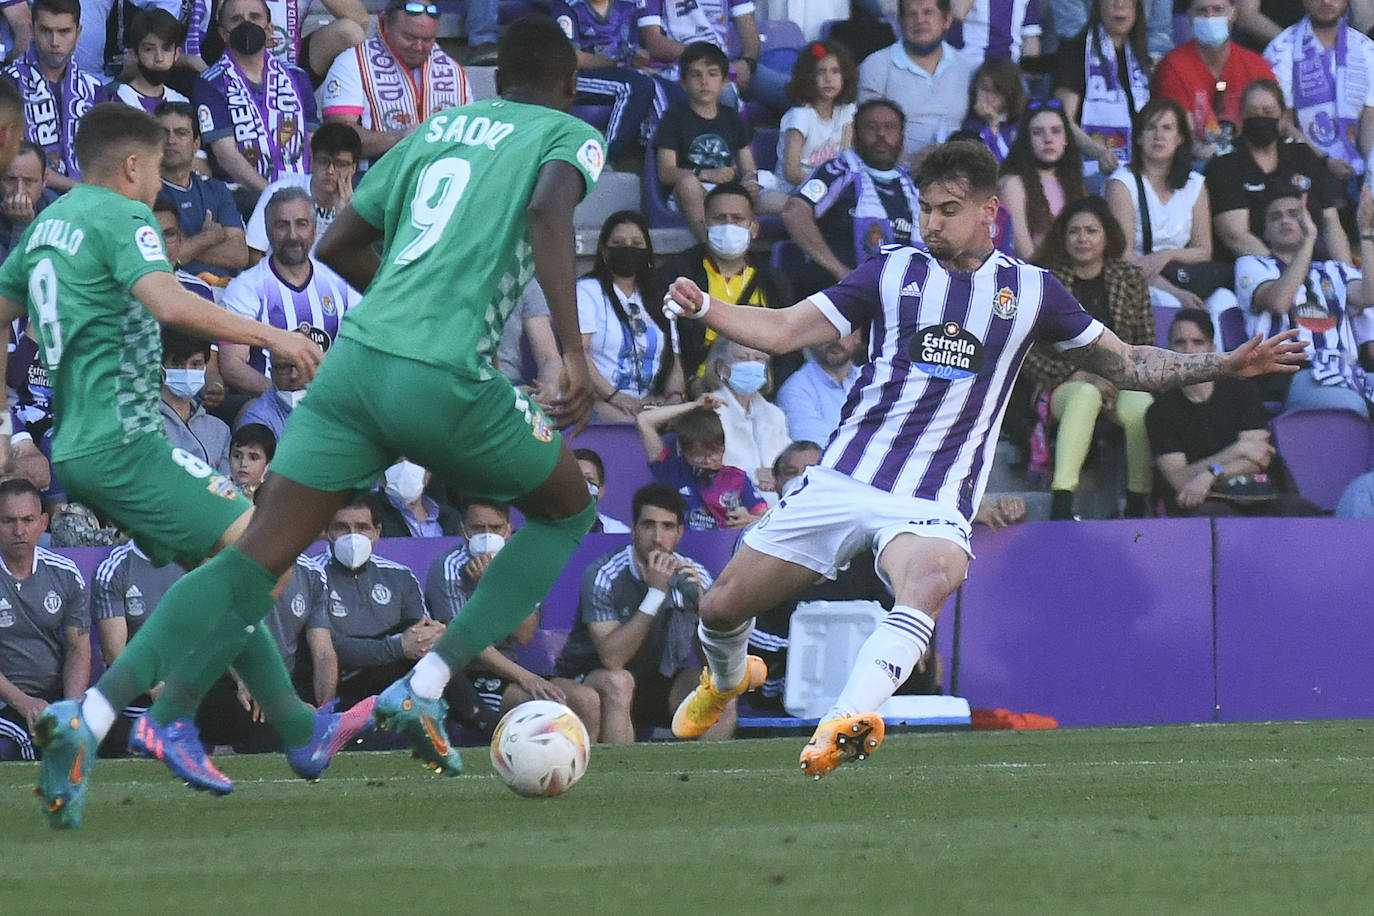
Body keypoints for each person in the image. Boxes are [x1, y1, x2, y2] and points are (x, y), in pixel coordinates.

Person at [64, 18, 605, 793]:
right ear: (568, 86)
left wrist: (403, 303)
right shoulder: (567, 133)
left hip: (353, 367)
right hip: (444, 376)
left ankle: (131, 710)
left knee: (256, 556)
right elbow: (551, 215)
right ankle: (424, 689)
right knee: (566, 508)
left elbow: (339, 246)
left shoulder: (438, 128)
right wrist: (573, 352)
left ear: (495, 76)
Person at [660, 139, 1305, 777]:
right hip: (847, 476)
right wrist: (708, 307)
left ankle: (842, 722)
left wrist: (1226, 363)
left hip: (934, 497)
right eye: (925, 209)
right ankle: (727, 677)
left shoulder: (1031, 291)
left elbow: (1129, 361)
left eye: (946, 208)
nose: (931, 222)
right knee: (720, 609)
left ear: (988, 211)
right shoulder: (889, 272)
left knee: (934, 575)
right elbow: (783, 330)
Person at [5, 104, 346, 829]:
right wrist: (272, 337)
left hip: (78, 445)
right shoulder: (121, 217)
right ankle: (146, 713)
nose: (159, 182)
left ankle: (294, 725)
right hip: (130, 442)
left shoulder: (46, 226)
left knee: (228, 577)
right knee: (269, 555)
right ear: (133, 166)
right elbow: (166, 301)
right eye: (157, 168)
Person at [552, 483, 720, 743]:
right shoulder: (604, 573)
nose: (657, 537)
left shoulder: (694, 577)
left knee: (719, 687)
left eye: (667, 527)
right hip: (594, 680)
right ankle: (621, 776)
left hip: (659, 682)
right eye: (648, 525)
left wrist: (704, 611)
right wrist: (655, 594)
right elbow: (612, 659)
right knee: (619, 682)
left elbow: (713, 661)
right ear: (633, 529)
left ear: (680, 533)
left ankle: (707, 780)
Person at [1024, 196, 1155, 519]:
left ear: (1107, 236)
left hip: (1119, 380)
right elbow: (1027, 349)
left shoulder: (1129, 277)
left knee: (1142, 407)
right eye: (1074, 232)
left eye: (1091, 231)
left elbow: (1143, 341)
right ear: (1062, 237)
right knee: (1085, 395)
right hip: (1062, 383)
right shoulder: (1044, 280)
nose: (1082, 238)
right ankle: (1062, 501)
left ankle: (1139, 503)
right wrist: (1079, 375)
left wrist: (1116, 376)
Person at [425, 498, 601, 737]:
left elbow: (525, 633)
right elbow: (464, 642)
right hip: (467, 677)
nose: (487, 536)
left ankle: (589, 769)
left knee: (587, 700)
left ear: (508, 529)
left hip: (511, 671)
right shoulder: (447, 567)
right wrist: (526, 678)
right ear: (463, 530)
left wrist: (497, 585)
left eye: (495, 528)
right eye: (478, 528)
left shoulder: (521, 564)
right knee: (547, 708)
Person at [1147, 308, 1322, 516]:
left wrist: (1211, 473)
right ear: (1168, 350)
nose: (1188, 351)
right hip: (1205, 501)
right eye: (1179, 342)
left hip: (1256, 492)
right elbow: (1180, 480)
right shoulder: (1160, 411)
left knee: (1300, 510)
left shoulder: (1242, 391)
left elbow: (1260, 458)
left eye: (1197, 342)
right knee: (1215, 515)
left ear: (1212, 348)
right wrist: (1237, 450)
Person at [1236, 190, 1374, 413]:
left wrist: (1366, 233)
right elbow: (1280, 302)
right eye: (1276, 217)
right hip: (1292, 374)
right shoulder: (1253, 266)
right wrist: (1309, 240)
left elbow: (1370, 296)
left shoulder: (1334, 269)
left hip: (1347, 369)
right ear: (1265, 232)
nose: (1286, 221)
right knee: (1350, 405)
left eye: (1295, 215)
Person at [219, 187, 359, 398]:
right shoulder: (246, 287)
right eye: (282, 225)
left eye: (301, 224)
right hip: (271, 403)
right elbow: (232, 366)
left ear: (314, 229)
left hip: (333, 404)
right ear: (267, 231)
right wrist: (286, 397)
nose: (292, 235)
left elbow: (362, 348)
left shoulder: (341, 281)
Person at [782, 99, 921, 298]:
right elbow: (793, 212)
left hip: (902, 295)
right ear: (855, 134)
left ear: (902, 138)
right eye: (871, 127)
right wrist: (840, 271)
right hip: (839, 293)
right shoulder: (837, 171)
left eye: (889, 128)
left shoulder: (914, 186)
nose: (881, 135)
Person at [1204, 78, 1351, 264]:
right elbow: (1235, 236)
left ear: (1282, 117)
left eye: (1268, 111)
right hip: (1250, 271)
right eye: (1252, 112)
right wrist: (1287, 276)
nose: (1260, 117)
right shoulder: (1224, 163)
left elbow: (1330, 222)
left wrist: (1347, 274)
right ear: (1241, 116)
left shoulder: (1302, 155)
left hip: (1309, 265)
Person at [664, 182, 795, 383]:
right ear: (705, 225)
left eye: (737, 219)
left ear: (754, 228)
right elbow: (667, 340)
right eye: (719, 218)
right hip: (698, 390)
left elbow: (787, 346)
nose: (728, 226)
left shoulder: (774, 282)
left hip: (757, 389)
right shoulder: (679, 273)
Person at [315, 496, 436, 712]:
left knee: (433, 651)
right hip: (342, 682)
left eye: (362, 528)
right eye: (342, 528)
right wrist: (397, 647)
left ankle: (478, 719)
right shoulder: (313, 576)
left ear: (377, 532)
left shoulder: (400, 575)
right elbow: (331, 647)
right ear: (327, 532)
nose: (353, 537)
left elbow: (420, 638)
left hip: (392, 678)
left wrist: (433, 635)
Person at [1105, 97, 1224, 314]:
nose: (1159, 135)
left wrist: (1167, 255)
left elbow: (1203, 250)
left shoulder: (1195, 184)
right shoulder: (1122, 183)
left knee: (1224, 302)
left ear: (1179, 138)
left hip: (1181, 273)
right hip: (1139, 278)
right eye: (1151, 127)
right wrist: (1176, 294)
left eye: (1167, 128)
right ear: (1139, 137)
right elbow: (1124, 256)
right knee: (1171, 305)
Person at [320, 0, 472, 170]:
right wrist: (398, 139)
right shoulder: (352, 62)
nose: (418, 47)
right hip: (373, 178)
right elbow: (337, 134)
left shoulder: (454, 71)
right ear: (385, 24)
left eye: (428, 39)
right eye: (409, 37)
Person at [0, 478, 88, 761]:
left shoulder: (65, 573)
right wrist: (24, 704)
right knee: (14, 745)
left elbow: (78, 647)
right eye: (8, 521)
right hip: (6, 702)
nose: (19, 530)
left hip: (53, 696)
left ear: (43, 522)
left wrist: (70, 707)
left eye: (27, 520)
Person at [192, 0, 319, 195]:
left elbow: (313, 142)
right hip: (241, 197)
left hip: (301, 191)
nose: (246, 24)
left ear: (269, 29)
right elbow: (226, 154)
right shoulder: (209, 83)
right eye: (236, 19)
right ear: (224, 34)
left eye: (254, 17)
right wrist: (272, 194)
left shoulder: (298, 77)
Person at [578, 210, 683, 422]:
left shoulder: (659, 297)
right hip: (601, 401)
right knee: (634, 427)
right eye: (618, 243)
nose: (628, 249)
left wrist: (674, 400)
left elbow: (674, 361)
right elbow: (579, 353)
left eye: (636, 244)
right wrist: (614, 396)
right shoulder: (586, 290)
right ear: (604, 251)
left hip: (650, 403)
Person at [1263, 0, 1374, 195]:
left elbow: (1370, 120)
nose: (1326, 1)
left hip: (1360, 168)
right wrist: (1325, 160)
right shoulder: (1280, 50)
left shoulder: (1367, 50)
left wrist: (1369, 169)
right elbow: (1283, 124)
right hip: (1304, 167)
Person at [653, 41, 760, 243]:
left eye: (712, 74)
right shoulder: (674, 117)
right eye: (695, 75)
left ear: (725, 82)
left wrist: (751, 184)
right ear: (683, 83)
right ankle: (710, 247)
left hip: (730, 193)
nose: (704, 81)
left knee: (782, 201)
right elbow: (666, 173)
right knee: (688, 184)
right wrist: (707, 174)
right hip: (691, 191)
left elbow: (748, 167)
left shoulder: (732, 117)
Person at [2, 0, 107, 193]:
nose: (54, 42)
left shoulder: (94, 89)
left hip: (88, 198)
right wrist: (78, 188)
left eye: (64, 31)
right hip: (31, 196)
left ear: (78, 33)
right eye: (45, 30)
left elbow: (106, 157)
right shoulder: (8, 83)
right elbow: (10, 156)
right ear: (32, 30)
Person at [90, 541, 185, 754]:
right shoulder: (114, 568)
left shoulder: (194, 561)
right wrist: (155, 688)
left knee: (251, 715)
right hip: (140, 689)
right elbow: (115, 654)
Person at [1151, 0, 1274, 161]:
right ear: (1189, 17)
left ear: (1234, 13)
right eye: (1202, 11)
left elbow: (1275, 121)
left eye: (1218, 9)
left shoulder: (1257, 65)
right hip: (1200, 162)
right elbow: (1184, 136)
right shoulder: (1172, 66)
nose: (1210, 17)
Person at [857, 0, 975, 163]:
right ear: (900, 22)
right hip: (895, 171)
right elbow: (866, 133)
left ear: (947, 20)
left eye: (928, 13)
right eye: (911, 14)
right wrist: (912, 161)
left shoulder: (968, 68)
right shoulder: (875, 66)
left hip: (958, 169)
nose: (920, 20)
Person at [552, 0, 664, 163]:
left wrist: (639, 58)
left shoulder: (627, 5)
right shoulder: (568, 6)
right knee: (633, 88)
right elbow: (572, 58)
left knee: (660, 85)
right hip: (576, 78)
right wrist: (617, 63)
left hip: (617, 73)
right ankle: (607, 156)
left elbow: (632, 49)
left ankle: (656, 157)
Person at [637, 395, 769, 529]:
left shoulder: (737, 478)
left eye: (715, 452)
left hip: (725, 546)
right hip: (680, 546)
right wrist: (695, 405)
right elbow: (644, 420)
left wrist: (751, 520)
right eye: (698, 455)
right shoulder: (670, 470)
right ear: (683, 451)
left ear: (723, 446)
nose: (707, 460)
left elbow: (766, 518)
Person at [1053, 0, 1151, 178]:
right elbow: (1062, 120)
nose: (1119, 5)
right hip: (1087, 167)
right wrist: (1099, 153)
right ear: (1097, 6)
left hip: (1137, 167)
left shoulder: (1141, 56)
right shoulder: (1075, 50)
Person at [154, 101, 249, 280]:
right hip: (175, 291)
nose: (171, 141)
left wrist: (183, 247)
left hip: (222, 291)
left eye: (181, 133)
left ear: (196, 144)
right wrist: (206, 239)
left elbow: (239, 255)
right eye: (163, 133)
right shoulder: (146, 192)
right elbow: (156, 258)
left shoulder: (217, 190)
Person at [181, 0, 368, 88]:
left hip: (289, 65)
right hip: (229, 56)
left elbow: (360, 19)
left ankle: (342, 115)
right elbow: (224, 16)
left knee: (349, 32)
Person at [244, 122, 362, 259]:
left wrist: (344, 215)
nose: (330, 171)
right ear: (312, 160)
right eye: (324, 161)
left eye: (340, 164)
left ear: (353, 167)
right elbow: (254, 251)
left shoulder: (361, 204)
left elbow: (356, 262)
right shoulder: (279, 191)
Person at [702, 335, 791, 497]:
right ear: (721, 368)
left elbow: (790, 464)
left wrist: (779, 477)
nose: (751, 364)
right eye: (742, 358)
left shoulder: (775, 415)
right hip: (730, 508)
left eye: (758, 359)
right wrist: (753, 476)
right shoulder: (710, 411)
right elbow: (705, 470)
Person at [997, 99, 1086, 260]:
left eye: (1056, 131)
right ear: (1026, 140)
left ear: (1066, 139)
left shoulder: (1075, 182)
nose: (1048, 139)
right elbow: (1025, 254)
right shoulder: (1013, 184)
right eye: (1037, 132)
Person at [772, 40, 858, 197]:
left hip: (832, 189)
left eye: (835, 71)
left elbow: (847, 160)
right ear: (808, 77)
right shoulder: (800, 116)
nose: (828, 79)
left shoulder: (847, 111)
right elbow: (792, 172)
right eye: (821, 72)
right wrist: (824, 188)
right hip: (794, 190)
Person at [637, 0, 761, 108]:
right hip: (683, 67)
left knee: (779, 89)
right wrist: (714, 62)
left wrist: (748, 62)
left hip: (726, 62)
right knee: (725, 94)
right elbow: (653, 42)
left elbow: (749, 32)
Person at [159, 328, 230, 474]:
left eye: (195, 364)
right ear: (161, 367)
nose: (186, 370)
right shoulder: (148, 427)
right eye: (177, 363)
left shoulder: (219, 430)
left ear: (205, 366)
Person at [775, 329, 862, 444]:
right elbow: (816, 450)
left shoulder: (870, 380)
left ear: (857, 336)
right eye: (827, 333)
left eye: (842, 332)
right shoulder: (795, 390)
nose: (835, 340)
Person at [108, 9, 190, 114]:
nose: (159, 58)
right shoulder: (120, 99)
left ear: (177, 53)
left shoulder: (182, 102)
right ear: (135, 53)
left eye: (166, 49)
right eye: (149, 49)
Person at [961, 56, 1025, 163]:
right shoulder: (965, 124)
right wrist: (990, 126)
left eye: (997, 91)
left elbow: (1004, 164)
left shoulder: (1020, 127)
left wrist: (993, 125)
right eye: (985, 89)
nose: (989, 97)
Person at [376, 459, 463, 538]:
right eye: (397, 464)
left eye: (412, 463)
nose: (405, 469)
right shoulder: (372, 515)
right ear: (382, 479)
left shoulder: (452, 518)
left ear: (427, 476)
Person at [236, 350, 310, 439]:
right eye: (283, 367)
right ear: (271, 373)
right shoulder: (256, 417)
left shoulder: (328, 406)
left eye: (301, 365)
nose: (293, 376)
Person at [0, 141, 55, 259]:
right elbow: (9, 276)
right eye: (10, 180)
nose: (19, 191)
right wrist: (21, 226)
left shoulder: (57, 207)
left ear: (44, 180)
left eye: (28, 181)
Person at [950, 0, 1042, 64]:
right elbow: (958, 11)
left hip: (1008, 68)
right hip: (964, 64)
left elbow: (1030, 34)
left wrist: (1030, 67)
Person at [574, 446, 631, 533]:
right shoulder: (547, 534)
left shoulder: (619, 532)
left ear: (601, 490)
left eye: (589, 479)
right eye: (574, 479)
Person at [229, 422, 274, 498]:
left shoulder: (272, 498)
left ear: (268, 463)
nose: (243, 463)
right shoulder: (216, 488)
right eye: (237, 456)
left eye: (253, 458)